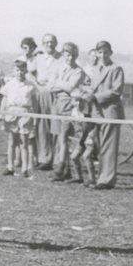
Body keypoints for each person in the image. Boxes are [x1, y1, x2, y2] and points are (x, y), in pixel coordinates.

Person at [84, 41, 125, 189]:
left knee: (109, 147)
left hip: (110, 112)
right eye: (100, 52)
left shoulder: (116, 69)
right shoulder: (95, 69)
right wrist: (86, 93)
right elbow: (91, 87)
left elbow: (116, 91)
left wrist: (95, 97)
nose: (103, 55)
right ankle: (102, 177)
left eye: (105, 52)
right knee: (101, 147)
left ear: (111, 53)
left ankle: (106, 180)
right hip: (97, 112)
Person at [49, 42, 87, 182]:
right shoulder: (58, 67)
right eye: (67, 55)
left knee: (64, 136)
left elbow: (71, 88)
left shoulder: (78, 71)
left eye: (72, 55)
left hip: (68, 105)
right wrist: (61, 85)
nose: (69, 58)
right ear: (63, 55)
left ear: (75, 56)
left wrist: (58, 84)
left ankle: (61, 168)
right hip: (57, 103)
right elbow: (50, 87)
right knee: (58, 137)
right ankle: (65, 170)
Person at [0, 61, 37, 177]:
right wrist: (1, 113)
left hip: (25, 113)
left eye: (22, 70)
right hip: (11, 112)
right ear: (14, 71)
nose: (20, 72)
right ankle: (10, 166)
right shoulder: (9, 84)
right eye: (17, 70)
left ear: (26, 71)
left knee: (24, 142)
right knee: (11, 141)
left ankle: (25, 168)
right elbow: (4, 99)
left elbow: (34, 102)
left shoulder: (30, 85)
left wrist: (35, 117)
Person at [29, 34, 61, 170]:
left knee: (55, 126)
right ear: (43, 44)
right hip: (41, 93)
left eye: (52, 42)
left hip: (55, 94)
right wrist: (36, 83)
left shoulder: (61, 58)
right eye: (47, 42)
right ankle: (44, 158)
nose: (49, 45)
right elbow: (29, 73)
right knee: (41, 126)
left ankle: (56, 159)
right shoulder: (39, 58)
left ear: (56, 43)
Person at [68, 87, 98, 187]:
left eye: (80, 100)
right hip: (81, 138)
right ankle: (78, 177)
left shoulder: (88, 112)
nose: (78, 103)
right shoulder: (73, 112)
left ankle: (92, 179)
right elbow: (75, 126)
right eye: (75, 100)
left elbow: (91, 126)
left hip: (90, 136)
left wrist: (91, 135)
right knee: (73, 157)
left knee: (86, 156)